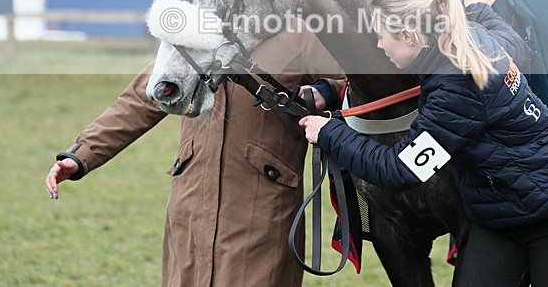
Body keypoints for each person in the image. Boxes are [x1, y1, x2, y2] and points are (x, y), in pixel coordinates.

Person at [299, 0, 548, 286]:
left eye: (381, 36)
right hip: (499, 218)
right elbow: (513, 44)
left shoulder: (456, 90)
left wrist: (329, 133)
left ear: (408, 36)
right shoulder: (469, 35)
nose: (379, 45)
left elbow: (399, 170)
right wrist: (479, 11)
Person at [45, 27, 344, 287]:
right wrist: (82, 154)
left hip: (264, 210)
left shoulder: (301, 30)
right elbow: (141, 98)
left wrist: (326, 92)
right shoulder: (194, 29)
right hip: (190, 204)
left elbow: (359, 82)